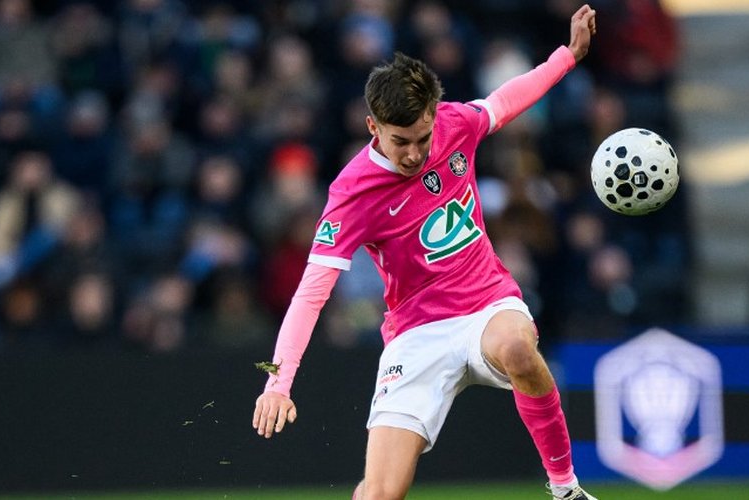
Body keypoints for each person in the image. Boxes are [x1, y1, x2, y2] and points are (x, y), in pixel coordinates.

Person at [251, 6, 599, 500]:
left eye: (421, 138)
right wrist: (278, 383)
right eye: (399, 142)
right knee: (381, 493)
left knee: (520, 349)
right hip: (415, 332)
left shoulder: (456, 124)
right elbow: (311, 295)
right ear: (373, 127)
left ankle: (565, 489)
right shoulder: (350, 195)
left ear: (434, 116)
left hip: (486, 303)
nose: (414, 154)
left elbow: (509, 97)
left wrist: (568, 56)